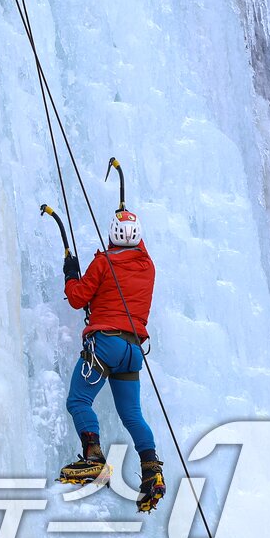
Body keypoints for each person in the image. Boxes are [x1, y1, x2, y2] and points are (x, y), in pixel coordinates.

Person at [57, 208, 165, 513]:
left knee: (79, 401)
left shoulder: (103, 263)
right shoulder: (148, 266)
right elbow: (135, 250)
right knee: (133, 416)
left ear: (111, 235)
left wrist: (70, 274)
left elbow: (78, 298)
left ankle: (93, 458)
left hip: (105, 344)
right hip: (132, 351)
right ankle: (152, 472)